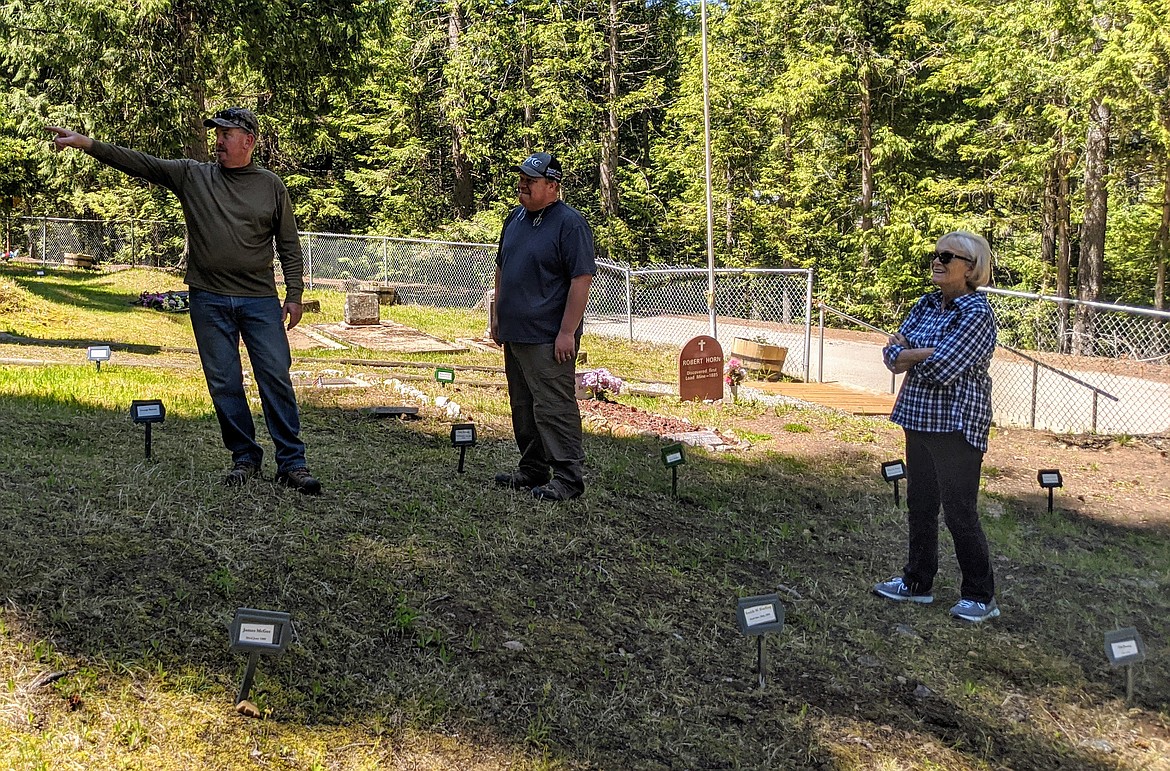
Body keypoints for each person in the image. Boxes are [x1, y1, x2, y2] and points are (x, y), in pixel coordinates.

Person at [46, 109, 322, 495]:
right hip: (208, 298)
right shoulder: (194, 175)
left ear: (249, 141)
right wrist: (87, 144)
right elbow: (140, 163)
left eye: (227, 134)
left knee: (274, 376)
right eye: (217, 134)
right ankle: (244, 457)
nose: (219, 141)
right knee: (224, 382)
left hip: (259, 300)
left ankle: (292, 463)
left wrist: (294, 295)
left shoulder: (270, 185)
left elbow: (289, 246)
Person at [872, 231, 999, 622]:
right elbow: (891, 355)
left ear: (972, 268)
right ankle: (916, 583)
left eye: (949, 256)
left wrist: (912, 353)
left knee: (960, 511)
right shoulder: (926, 303)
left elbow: (943, 369)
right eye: (936, 253)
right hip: (918, 417)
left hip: (957, 425)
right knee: (920, 505)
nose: (938, 260)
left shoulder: (976, 312)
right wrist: (915, 353)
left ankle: (980, 596)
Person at [490, 152, 596, 501]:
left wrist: (567, 331)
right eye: (521, 178)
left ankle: (567, 478)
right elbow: (502, 269)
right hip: (515, 333)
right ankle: (532, 468)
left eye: (531, 180)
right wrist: (496, 314)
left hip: (548, 337)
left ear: (552, 186)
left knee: (553, 406)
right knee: (522, 405)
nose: (522, 184)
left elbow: (581, 280)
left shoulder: (570, 224)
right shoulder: (514, 219)